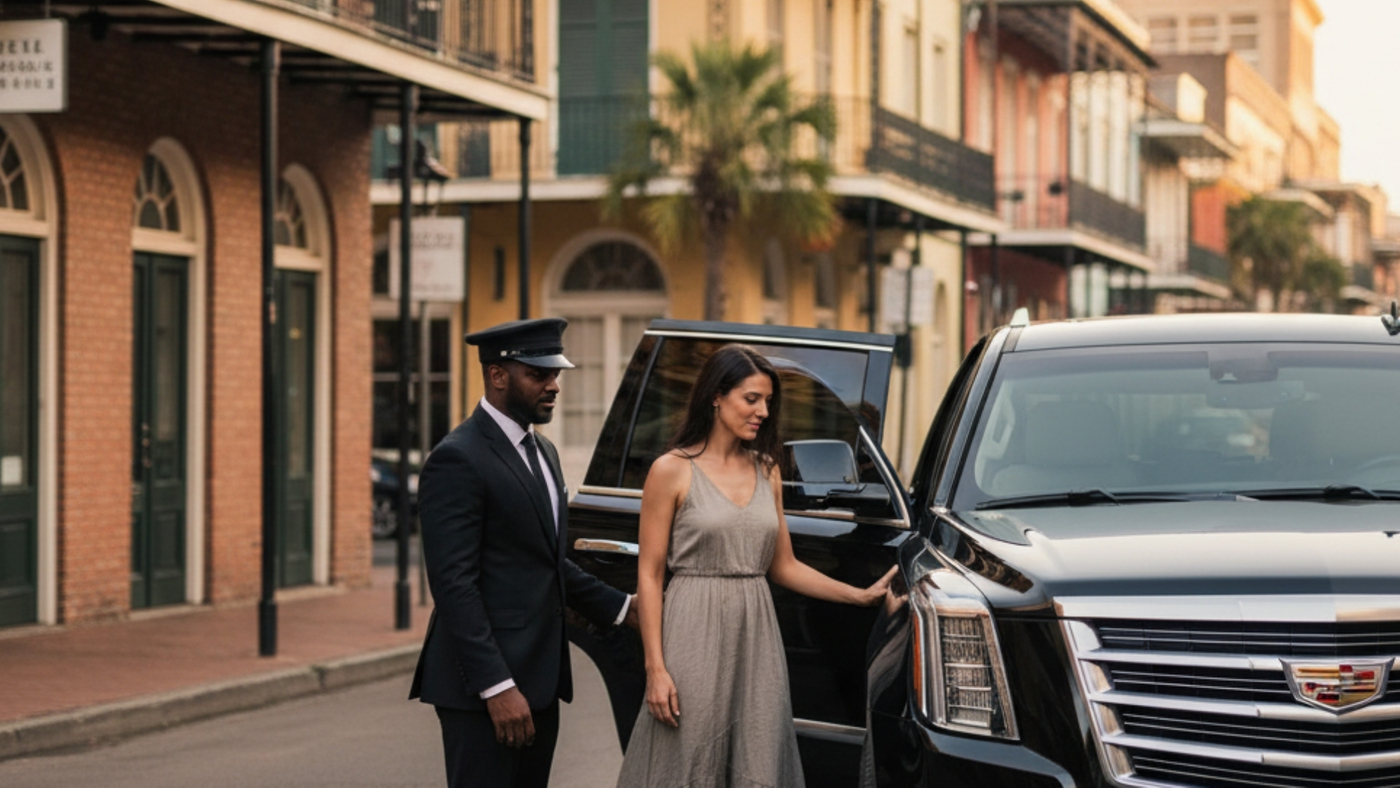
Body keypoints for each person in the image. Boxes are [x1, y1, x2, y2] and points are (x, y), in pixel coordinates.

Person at [616, 344, 895, 788]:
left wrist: (859, 596)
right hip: (692, 627)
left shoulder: (768, 469)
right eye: (752, 399)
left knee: (758, 751)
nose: (763, 411)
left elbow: (782, 565)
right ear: (716, 396)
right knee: (688, 755)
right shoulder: (670, 470)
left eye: (768, 401)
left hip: (757, 634)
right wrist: (657, 668)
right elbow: (649, 577)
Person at [410, 317, 637, 788]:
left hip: (539, 682)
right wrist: (496, 687)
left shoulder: (544, 452)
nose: (553, 385)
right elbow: (455, 587)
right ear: (497, 375)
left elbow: (546, 565)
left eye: (555, 374)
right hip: (485, 691)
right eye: (539, 375)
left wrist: (624, 608)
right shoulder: (458, 458)